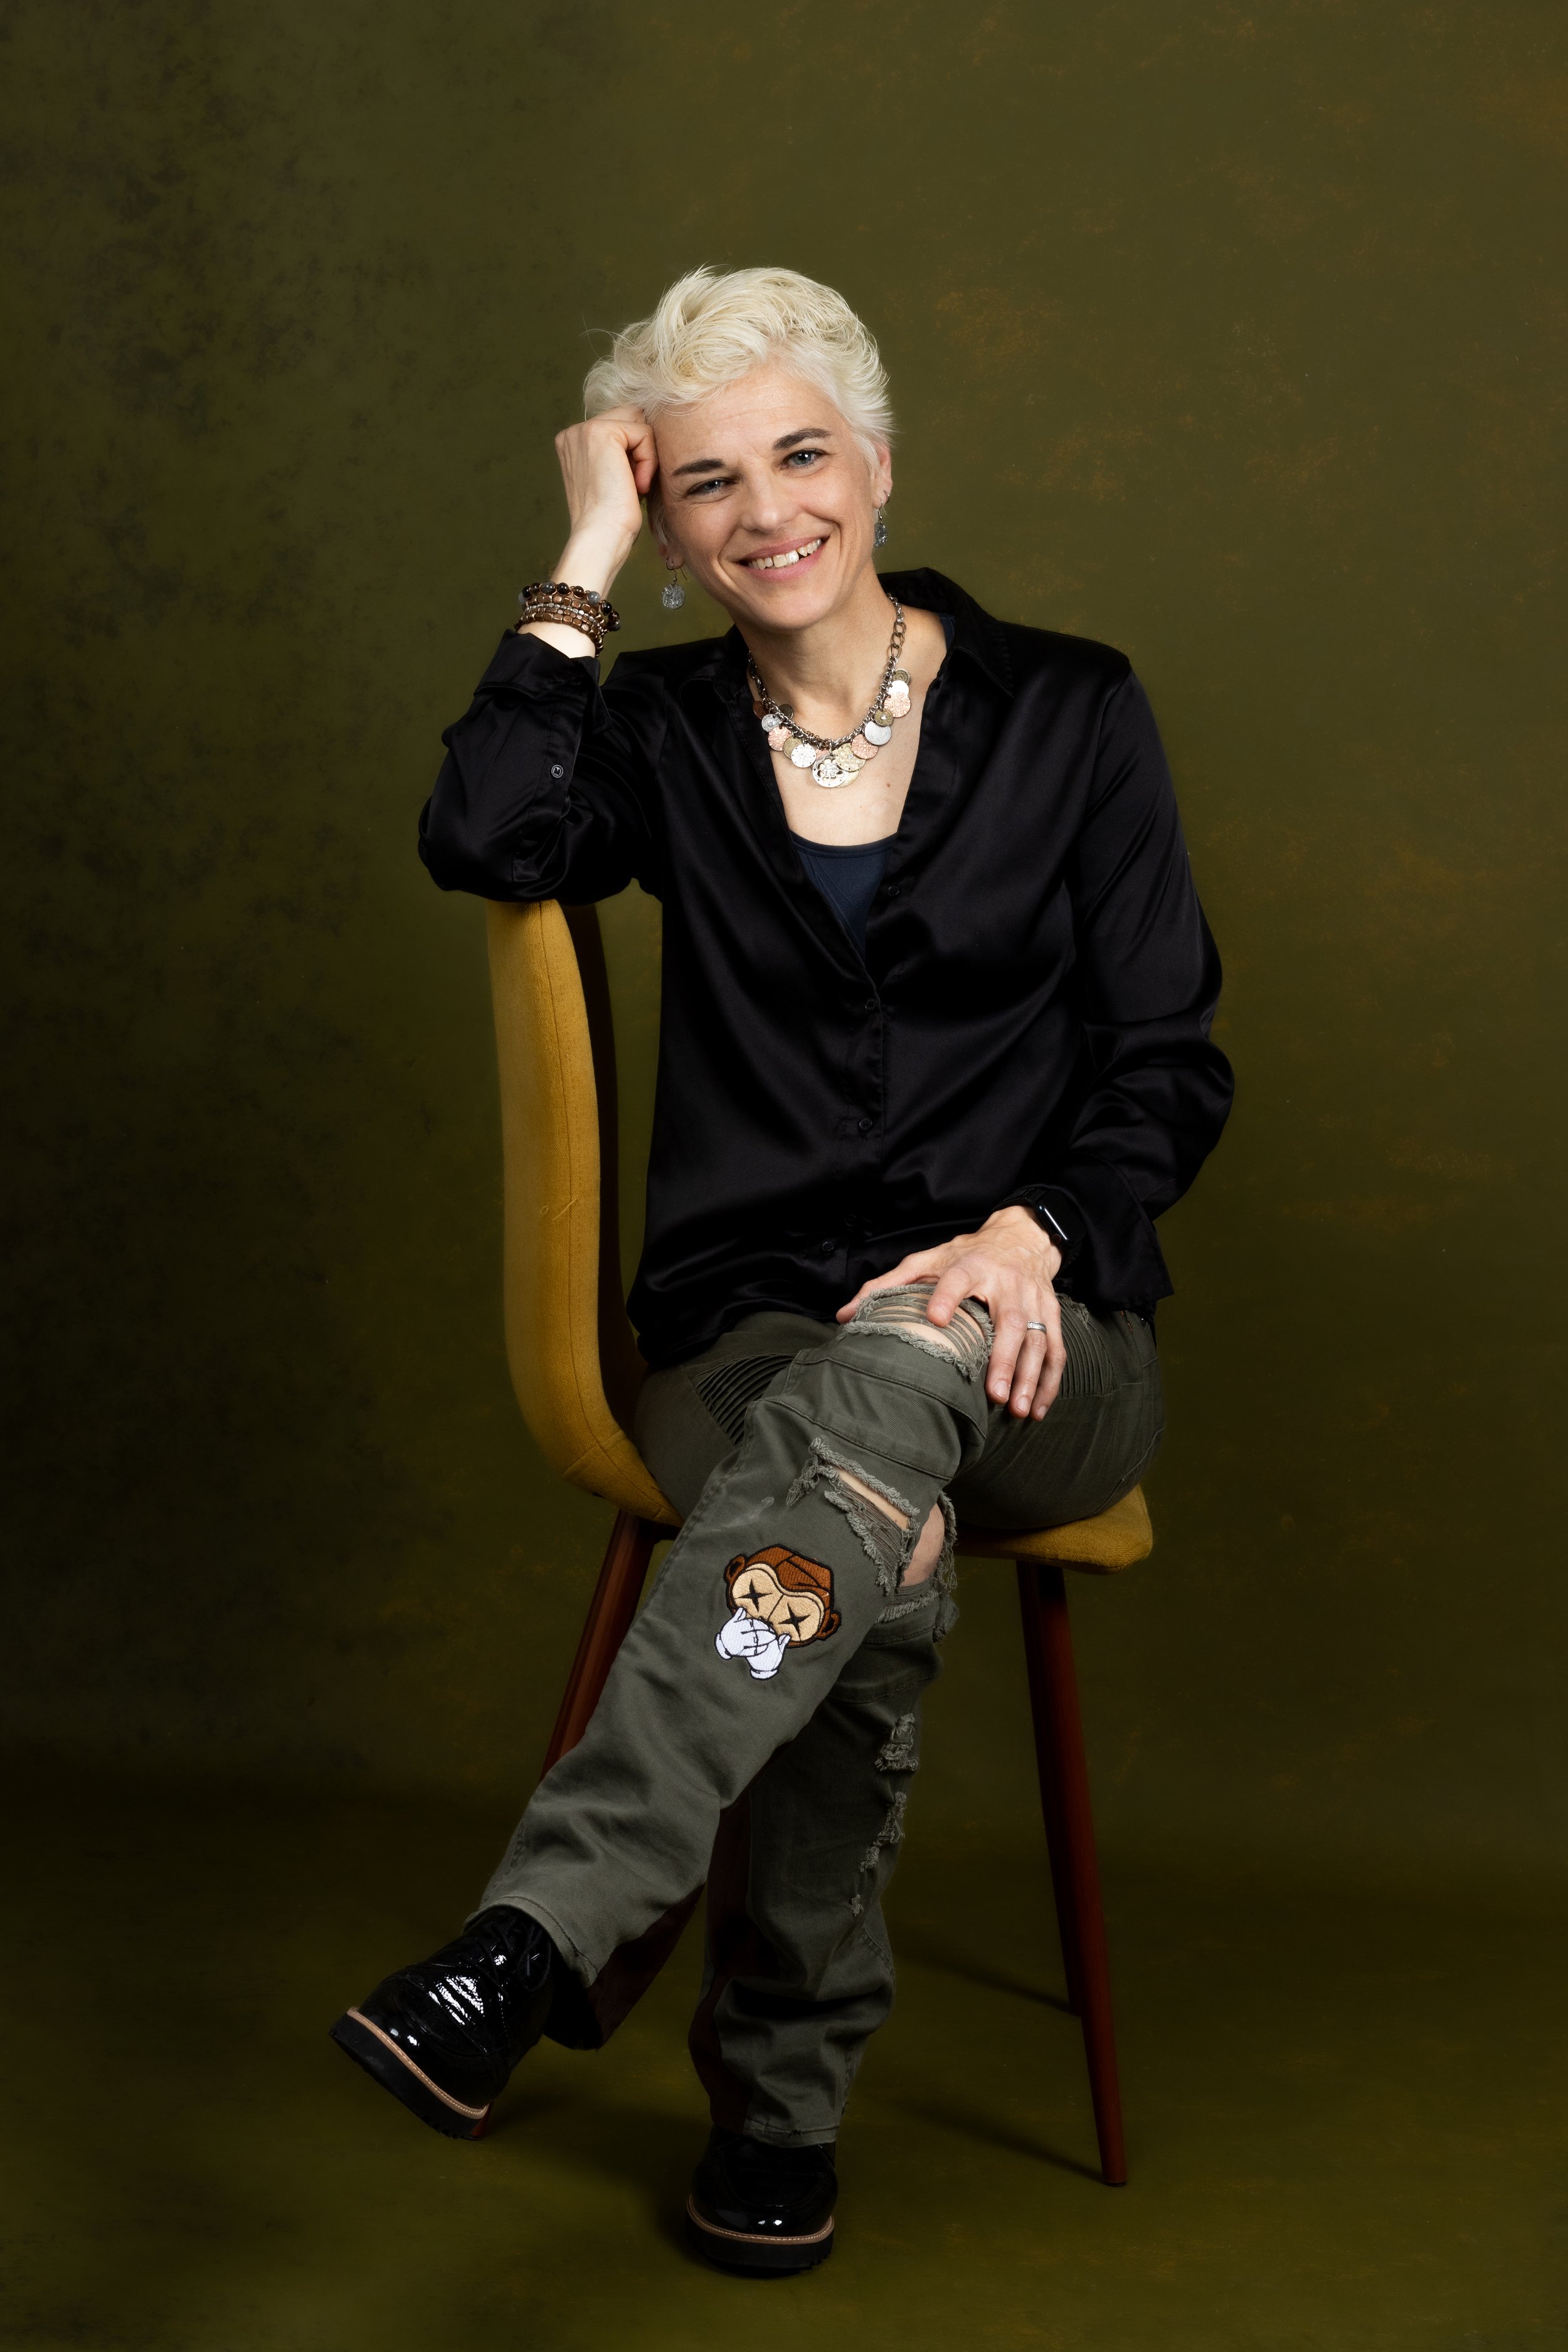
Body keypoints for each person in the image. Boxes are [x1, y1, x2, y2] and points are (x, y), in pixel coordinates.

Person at [331, 266, 1233, 2275]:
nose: (764, 513)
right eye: (701, 482)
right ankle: (778, 2107)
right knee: (858, 1525)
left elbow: (1168, 1056)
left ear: (879, 463)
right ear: (664, 523)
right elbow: (482, 832)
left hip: (1044, 1344)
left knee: (905, 1374)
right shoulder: (654, 735)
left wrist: (1027, 1233)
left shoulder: (1068, 707)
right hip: (746, 1341)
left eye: (801, 454)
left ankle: (540, 1938)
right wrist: (572, 547)